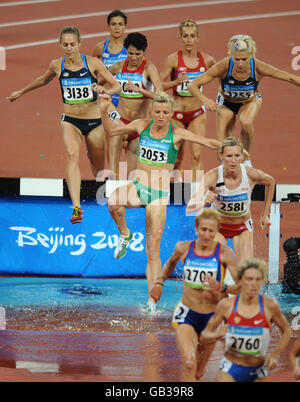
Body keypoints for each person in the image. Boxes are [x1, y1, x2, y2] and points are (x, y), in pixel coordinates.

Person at [99, 91, 222, 314]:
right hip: (138, 186)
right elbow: (112, 130)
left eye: (166, 112)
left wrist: (229, 149)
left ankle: (151, 303)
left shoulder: (176, 133)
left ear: (171, 113)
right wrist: (103, 107)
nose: (161, 116)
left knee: (152, 251)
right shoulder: (140, 125)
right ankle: (125, 234)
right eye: (158, 111)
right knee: (113, 201)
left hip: (158, 195)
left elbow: (207, 142)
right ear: (152, 111)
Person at [7, 26, 121, 223]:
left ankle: (90, 152)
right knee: (71, 154)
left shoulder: (93, 63)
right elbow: (42, 80)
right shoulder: (57, 65)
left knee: (97, 169)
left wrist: (103, 90)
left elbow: (116, 85)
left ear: (79, 44)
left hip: (94, 122)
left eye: (72, 44)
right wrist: (21, 91)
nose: (69, 49)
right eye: (65, 45)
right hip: (71, 120)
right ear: (60, 45)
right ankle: (76, 207)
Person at [150, 208, 238, 381]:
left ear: (216, 231)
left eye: (211, 231)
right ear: (197, 229)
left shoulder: (225, 254)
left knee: (198, 371)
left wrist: (222, 288)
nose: (207, 234)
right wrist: (159, 282)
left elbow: (242, 286)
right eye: (203, 229)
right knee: (190, 362)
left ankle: (200, 369)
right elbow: (170, 263)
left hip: (212, 318)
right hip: (187, 314)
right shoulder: (183, 248)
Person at [187, 34, 300, 166]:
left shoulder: (258, 67)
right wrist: (205, 100)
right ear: (231, 55)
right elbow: (192, 85)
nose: (240, 63)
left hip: (249, 102)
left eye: (244, 59)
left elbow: (290, 78)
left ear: (252, 55)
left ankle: (246, 159)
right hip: (226, 103)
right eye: (236, 59)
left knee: (245, 121)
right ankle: (226, 168)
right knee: (223, 146)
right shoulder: (224, 66)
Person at [201, 258, 292, 382]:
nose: (253, 283)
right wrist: (217, 334)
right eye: (249, 279)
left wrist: (274, 355)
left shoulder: (270, 306)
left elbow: (287, 330)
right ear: (241, 281)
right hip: (230, 369)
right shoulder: (227, 305)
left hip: (258, 371)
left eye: (258, 279)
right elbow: (204, 335)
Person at [186, 136, 275, 263]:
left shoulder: (250, 174)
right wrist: (204, 202)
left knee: (245, 269)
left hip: (242, 227)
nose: (233, 161)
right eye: (229, 156)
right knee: (220, 264)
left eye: (237, 156)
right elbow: (190, 207)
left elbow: (271, 182)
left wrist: (265, 214)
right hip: (218, 227)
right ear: (221, 156)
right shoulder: (212, 176)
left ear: (242, 157)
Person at [96, 32, 162, 179]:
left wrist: (140, 90)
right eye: (130, 53)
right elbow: (100, 83)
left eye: (137, 54)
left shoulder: (149, 68)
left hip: (139, 125)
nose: (133, 57)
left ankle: (129, 196)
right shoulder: (118, 67)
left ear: (144, 52)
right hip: (121, 119)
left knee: (133, 174)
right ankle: (112, 178)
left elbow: (160, 95)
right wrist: (99, 90)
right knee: (115, 133)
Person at [160, 19, 216, 181]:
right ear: (181, 38)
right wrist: (175, 82)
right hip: (176, 114)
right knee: (175, 158)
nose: (189, 40)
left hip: (197, 114)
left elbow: (222, 78)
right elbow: (157, 85)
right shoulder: (173, 60)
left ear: (198, 37)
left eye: (192, 36)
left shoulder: (208, 60)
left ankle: (196, 196)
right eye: (185, 36)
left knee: (197, 156)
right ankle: (169, 195)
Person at [93, 9, 128, 108]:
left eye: (120, 24)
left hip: (127, 97)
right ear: (108, 26)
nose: (117, 28)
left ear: (125, 26)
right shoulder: (100, 48)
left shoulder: (131, 47)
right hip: (108, 96)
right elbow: (92, 72)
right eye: (113, 24)